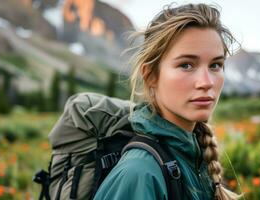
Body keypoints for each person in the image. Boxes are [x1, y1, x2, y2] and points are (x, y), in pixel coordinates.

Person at [94, 3, 240, 200]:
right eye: (186, 65)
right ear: (151, 75)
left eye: (215, 65)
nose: (207, 82)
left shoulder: (195, 156)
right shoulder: (139, 174)